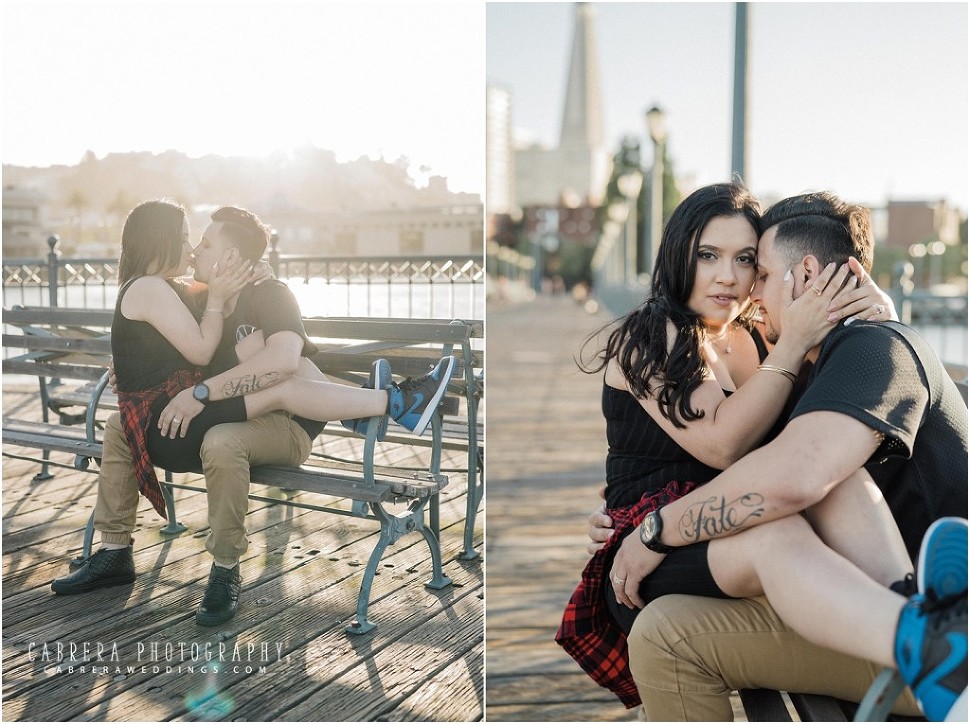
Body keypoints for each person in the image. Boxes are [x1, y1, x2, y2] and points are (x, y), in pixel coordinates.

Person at [600, 192, 968, 721]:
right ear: (680, 254)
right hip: (659, 547)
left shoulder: (781, 342)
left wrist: (878, 321)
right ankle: (922, 628)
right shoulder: (661, 336)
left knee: (821, 486)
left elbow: (797, 463)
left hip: (727, 534)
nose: (731, 277)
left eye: (750, 263)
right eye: (708, 255)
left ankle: (921, 623)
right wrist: (639, 524)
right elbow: (725, 445)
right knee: (776, 529)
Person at [51, 202, 455, 626]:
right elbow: (153, 340)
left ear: (234, 257)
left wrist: (200, 392)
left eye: (204, 243)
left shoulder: (269, 294)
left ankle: (225, 569)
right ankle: (114, 551)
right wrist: (128, 371)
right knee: (120, 425)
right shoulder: (198, 300)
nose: (193, 252)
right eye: (192, 240)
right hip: (227, 416)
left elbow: (281, 364)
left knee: (224, 438)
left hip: (282, 425)